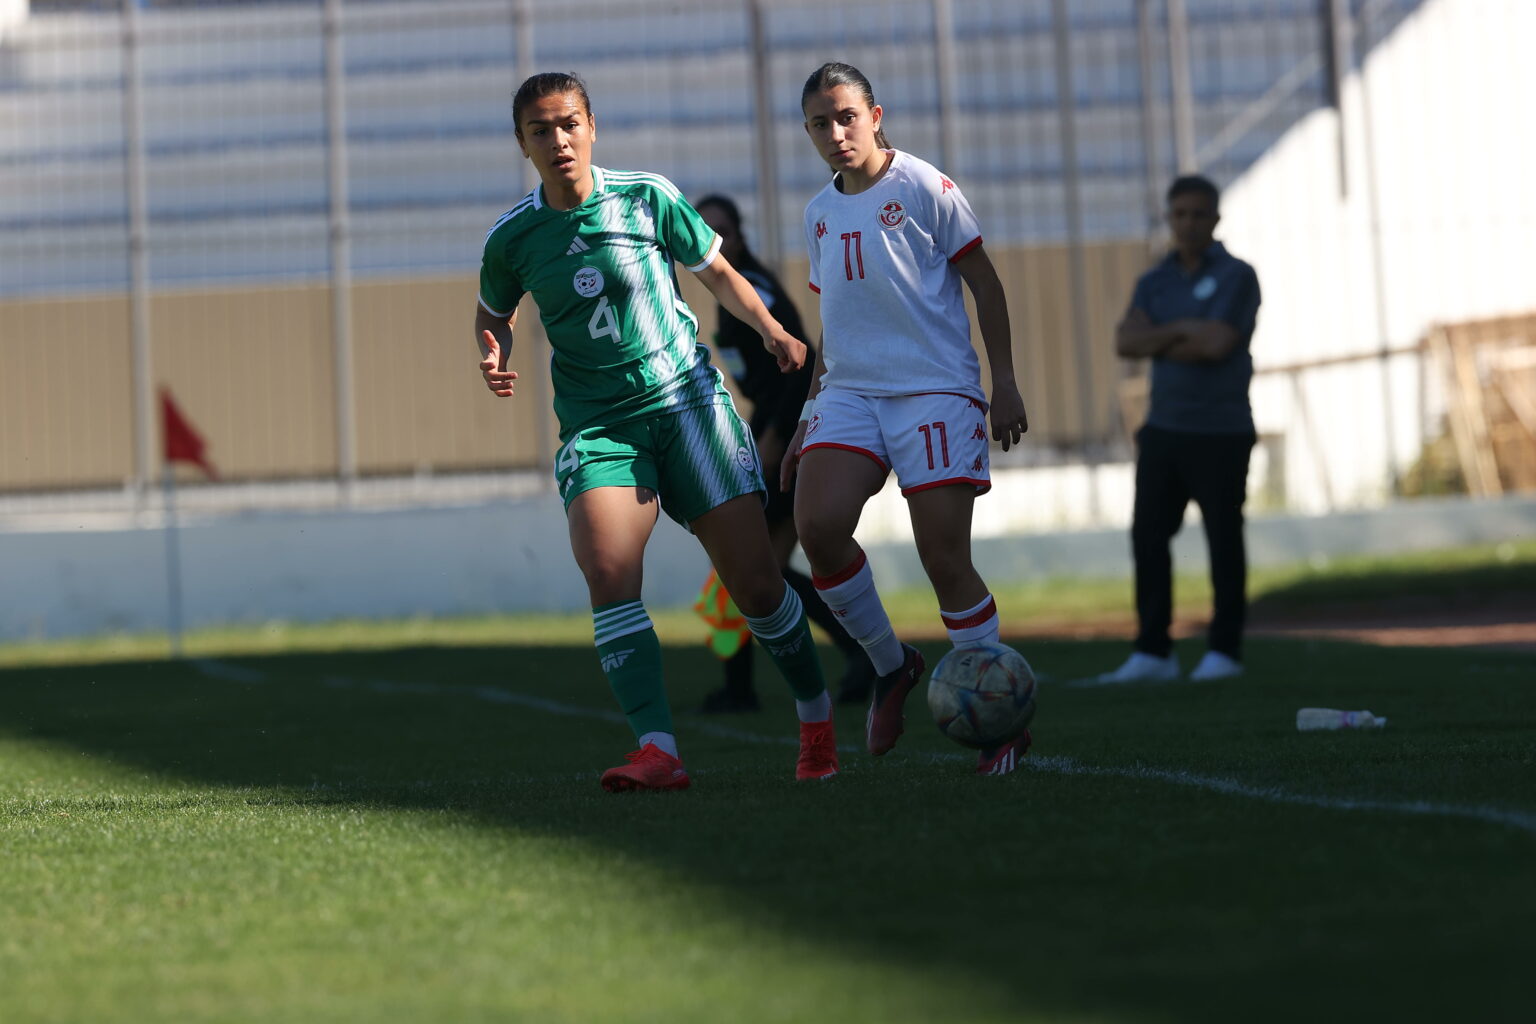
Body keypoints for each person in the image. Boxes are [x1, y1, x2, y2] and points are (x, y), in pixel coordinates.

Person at [475, 72, 840, 790]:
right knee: (609, 572)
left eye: (569, 124)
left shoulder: (647, 197)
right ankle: (658, 749)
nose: (559, 141)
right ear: (522, 143)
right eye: (541, 130)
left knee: (758, 588)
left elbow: (718, 273)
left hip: (688, 408)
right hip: (600, 425)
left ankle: (817, 719)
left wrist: (771, 330)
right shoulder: (513, 238)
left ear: (592, 126)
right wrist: (493, 349)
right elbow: (493, 312)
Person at [782, 63, 1032, 776]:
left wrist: (1003, 381)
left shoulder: (924, 185)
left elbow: (985, 282)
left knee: (943, 558)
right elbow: (837, 319)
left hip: (934, 389)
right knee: (818, 527)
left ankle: (1003, 723)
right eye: (820, 124)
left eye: (846, 117)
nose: (835, 133)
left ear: (875, 114)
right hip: (851, 392)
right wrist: (809, 412)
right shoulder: (818, 213)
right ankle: (893, 667)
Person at [690, 193, 877, 713]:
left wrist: (779, 435)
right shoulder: (732, 287)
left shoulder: (755, 288)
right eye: (705, 230)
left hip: (782, 435)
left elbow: (799, 361)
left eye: (722, 229)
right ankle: (856, 656)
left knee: (748, 563)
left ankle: (858, 655)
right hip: (767, 431)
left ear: (740, 234)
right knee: (755, 564)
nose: (714, 240)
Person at [1096, 174, 1261, 684]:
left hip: (1221, 429)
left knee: (1223, 539)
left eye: (1198, 214)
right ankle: (1153, 651)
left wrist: (1159, 337)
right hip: (1163, 428)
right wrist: (1189, 327)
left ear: (1215, 219)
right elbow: (1126, 341)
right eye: (1179, 214)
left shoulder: (1238, 276)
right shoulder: (1154, 280)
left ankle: (1224, 652)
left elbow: (1218, 346)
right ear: (1169, 219)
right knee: (1147, 537)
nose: (1187, 224)